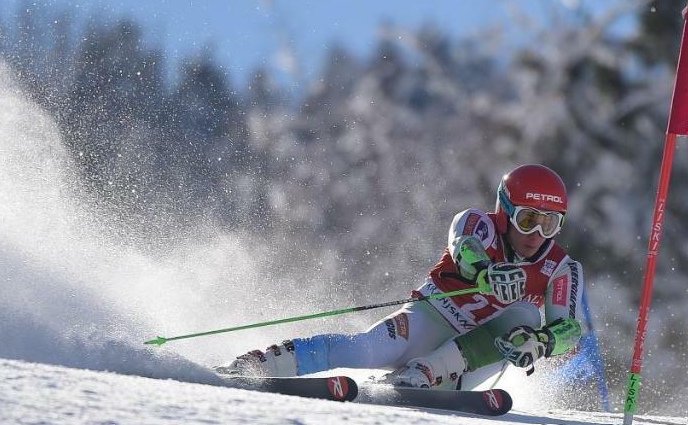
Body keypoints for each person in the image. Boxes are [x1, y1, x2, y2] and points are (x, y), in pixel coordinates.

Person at [221, 163, 586, 389]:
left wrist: (541, 343)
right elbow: (466, 249)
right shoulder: (478, 223)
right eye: (527, 220)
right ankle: (262, 363)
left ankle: (423, 375)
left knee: (524, 315)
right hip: (431, 318)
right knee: (361, 350)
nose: (536, 235)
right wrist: (485, 273)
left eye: (549, 224)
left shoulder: (561, 268)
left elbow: (570, 330)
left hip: (471, 360)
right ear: (505, 212)